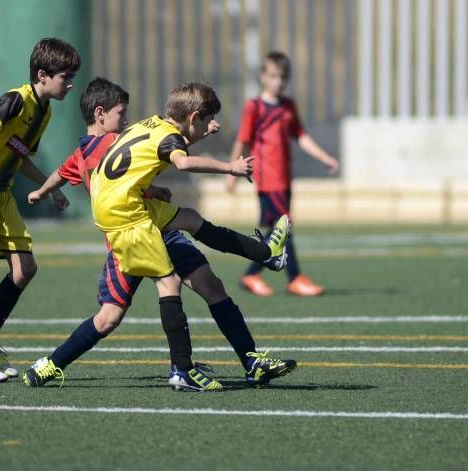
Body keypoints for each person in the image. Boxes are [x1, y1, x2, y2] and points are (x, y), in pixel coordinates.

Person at [22, 77, 297, 391]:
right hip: (128, 227)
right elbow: (177, 158)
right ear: (100, 114)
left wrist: (44, 191)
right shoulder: (98, 146)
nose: (125, 119)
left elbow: (157, 153)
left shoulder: (144, 127)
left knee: (207, 273)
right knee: (117, 312)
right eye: (120, 113)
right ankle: (176, 369)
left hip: (145, 216)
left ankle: (253, 357)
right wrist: (229, 168)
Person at [0, 38, 80, 382]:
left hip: (1, 192)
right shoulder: (16, 100)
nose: (70, 84)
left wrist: (51, 189)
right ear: (42, 74)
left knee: (24, 268)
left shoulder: (44, 111)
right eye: (65, 77)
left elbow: (18, 156)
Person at [227, 51, 339, 297]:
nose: (279, 82)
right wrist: (230, 173)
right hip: (268, 179)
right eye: (274, 76)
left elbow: (301, 136)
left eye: (283, 77)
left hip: (285, 178)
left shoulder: (289, 106)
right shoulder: (254, 107)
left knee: (274, 230)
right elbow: (242, 140)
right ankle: (295, 278)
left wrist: (324, 157)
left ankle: (251, 274)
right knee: (283, 228)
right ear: (263, 77)